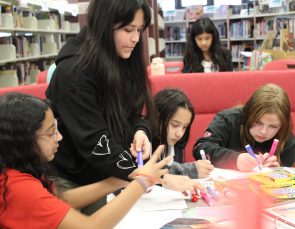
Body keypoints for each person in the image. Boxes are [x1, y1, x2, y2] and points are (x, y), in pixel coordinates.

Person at [46, 0, 199, 214]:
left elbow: (132, 113)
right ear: (104, 24)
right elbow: (96, 143)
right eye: (128, 29)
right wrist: (158, 177)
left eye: (139, 29)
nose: (135, 38)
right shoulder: (73, 73)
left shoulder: (120, 57)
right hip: (73, 179)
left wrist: (140, 130)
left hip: (107, 172)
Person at [0, 92, 170, 228]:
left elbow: (63, 199)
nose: (59, 137)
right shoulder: (18, 188)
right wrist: (142, 182)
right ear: (24, 140)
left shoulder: (18, 172)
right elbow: (91, 226)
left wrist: (121, 180)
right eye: (51, 132)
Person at [193, 83, 295, 171]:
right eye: (258, 123)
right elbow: (201, 147)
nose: (264, 132)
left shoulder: (285, 136)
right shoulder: (228, 120)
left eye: (273, 126)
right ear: (247, 114)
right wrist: (236, 159)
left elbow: (289, 175)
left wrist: (277, 172)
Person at [153, 88, 214, 179]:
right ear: (158, 118)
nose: (179, 134)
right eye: (175, 125)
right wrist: (191, 170)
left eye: (185, 127)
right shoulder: (144, 139)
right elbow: (151, 172)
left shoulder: (176, 142)